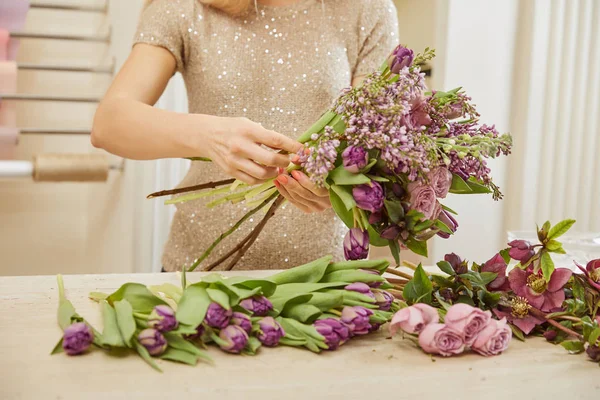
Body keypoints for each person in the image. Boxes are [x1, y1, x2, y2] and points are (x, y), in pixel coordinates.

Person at [92, 0, 399, 271]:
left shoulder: (366, 8)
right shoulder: (186, 7)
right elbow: (109, 124)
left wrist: (340, 184)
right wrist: (207, 135)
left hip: (323, 279)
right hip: (202, 277)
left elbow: (371, 145)